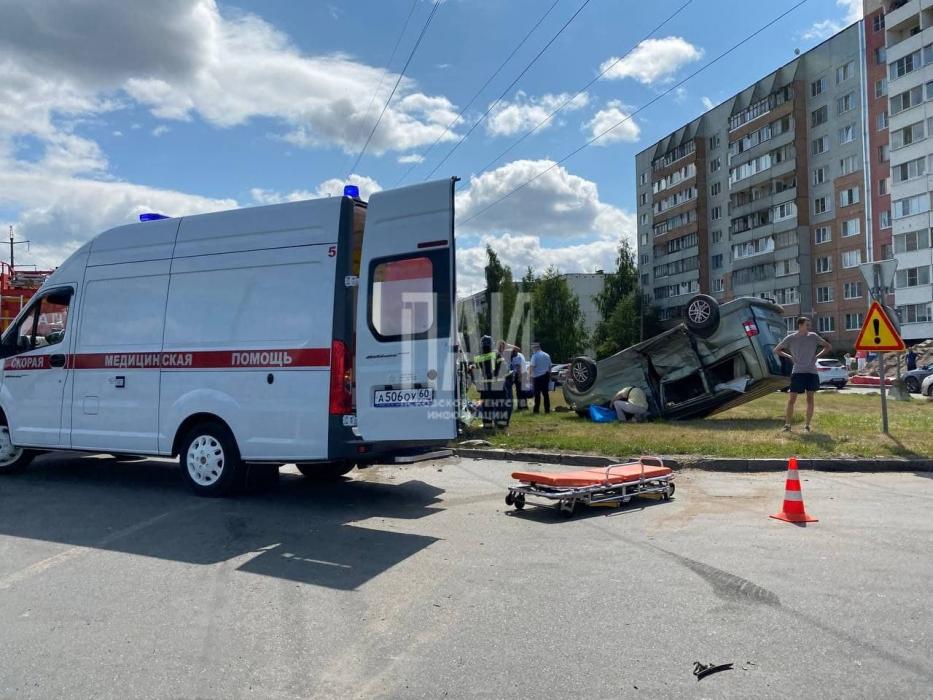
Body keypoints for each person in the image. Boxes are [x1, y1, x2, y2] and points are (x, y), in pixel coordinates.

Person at [774, 317, 832, 432]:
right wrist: (789, 356)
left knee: (810, 399)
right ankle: (787, 425)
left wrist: (816, 356)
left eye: (809, 325)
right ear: (800, 325)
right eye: (807, 325)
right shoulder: (791, 338)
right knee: (791, 400)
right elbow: (777, 350)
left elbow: (828, 347)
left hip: (811, 372)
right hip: (798, 372)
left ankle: (807, 426)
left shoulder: (813, 336)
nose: (809, 327)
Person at [473, 335, 511, 428]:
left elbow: (477, 373)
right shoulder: (497, 354)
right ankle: (501, 425)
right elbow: (504, 369)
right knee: (501, 405)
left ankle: (487, 425)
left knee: (486, 407)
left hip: (485, 386)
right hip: (498, 384)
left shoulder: (478, 358)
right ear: (491, 344)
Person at [529, 341, 552, 414]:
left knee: (537, 395)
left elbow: (532, 367)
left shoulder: (535, 356)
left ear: (535, 348)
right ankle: (547, 410)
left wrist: (530, 377)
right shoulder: (547, 355)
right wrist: (549, 376)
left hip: (537, 377)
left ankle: (536, 410)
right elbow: (549, 367)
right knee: (546, 394)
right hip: (546, 376)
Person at [508, 344, 528, 410]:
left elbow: (518, 367)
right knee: (522, 391)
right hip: (524, 373)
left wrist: (519, 377)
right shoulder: (520, 354)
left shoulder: (515, 357)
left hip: (520, 374)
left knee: (519, 391)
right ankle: (524, 406)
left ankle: (521, 406)